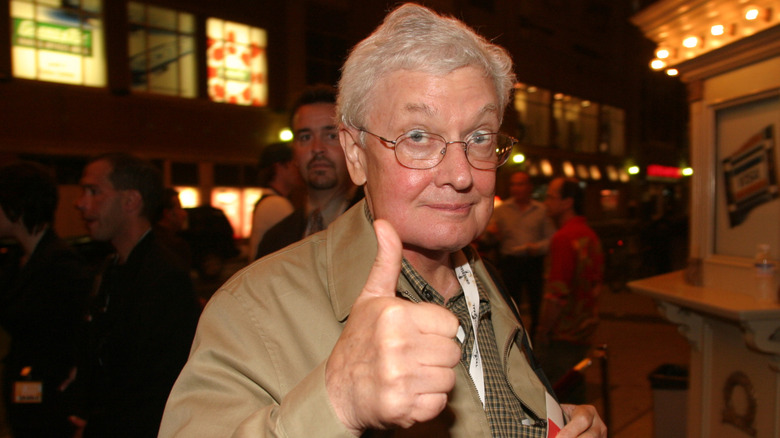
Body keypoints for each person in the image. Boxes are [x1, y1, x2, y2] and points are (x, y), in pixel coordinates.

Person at [160, 4, 606, 437]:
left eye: (480, 137)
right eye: (417, 137)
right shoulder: (251, 310)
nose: (461, 174)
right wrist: (335, 403)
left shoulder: (483, 279)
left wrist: (543, 420)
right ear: (356, 155)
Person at [71, 153, 201, 437]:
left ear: (130, 201)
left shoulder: (164, 276)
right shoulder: (112, 266)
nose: (80, 203)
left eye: (94, 192)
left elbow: (158, 384)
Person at [0, 162, 91, 438]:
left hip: (49, 403)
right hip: (24, 398)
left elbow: (77, 335)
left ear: (17, 207)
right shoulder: (15, 261)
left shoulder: (60, 265)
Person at [255, 86, 361, 259]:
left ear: (353, 145)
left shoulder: (380, 228)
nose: (317, 148)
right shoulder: (274, 241)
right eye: (305, 137)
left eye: (331, 136)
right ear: (294, 152)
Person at [536, 177, 604, 404]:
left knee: (556, 396)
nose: (546, 202)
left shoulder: (564, 238)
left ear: (567, 202)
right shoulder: (589, 234)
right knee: (574, 389)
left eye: (551, 197)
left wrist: (543, 329)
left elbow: (557, 295)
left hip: (563, 332)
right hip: (583, 329)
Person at [485, 170, 555, 337]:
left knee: (535, 303)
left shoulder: (541, 210)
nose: (517, 188)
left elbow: (552, 239)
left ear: (529, 187)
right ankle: (513, 338)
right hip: (510, 262)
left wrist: (538, 247)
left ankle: (536, 339)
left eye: (521, 184)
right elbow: (488, 240)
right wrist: (491, 233)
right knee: (510, 303)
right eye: (513, 184)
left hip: (533, 262)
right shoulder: (501, 210)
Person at [247, 142, 302, 261]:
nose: (298, 169)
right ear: (279, 167)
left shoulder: (269, 200)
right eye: (293, 164)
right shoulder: (276, 204)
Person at [154, 187, 192, 270]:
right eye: (179, 208)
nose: (184, 214)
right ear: (167, 213)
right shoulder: (175, 246)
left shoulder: (144, 241)